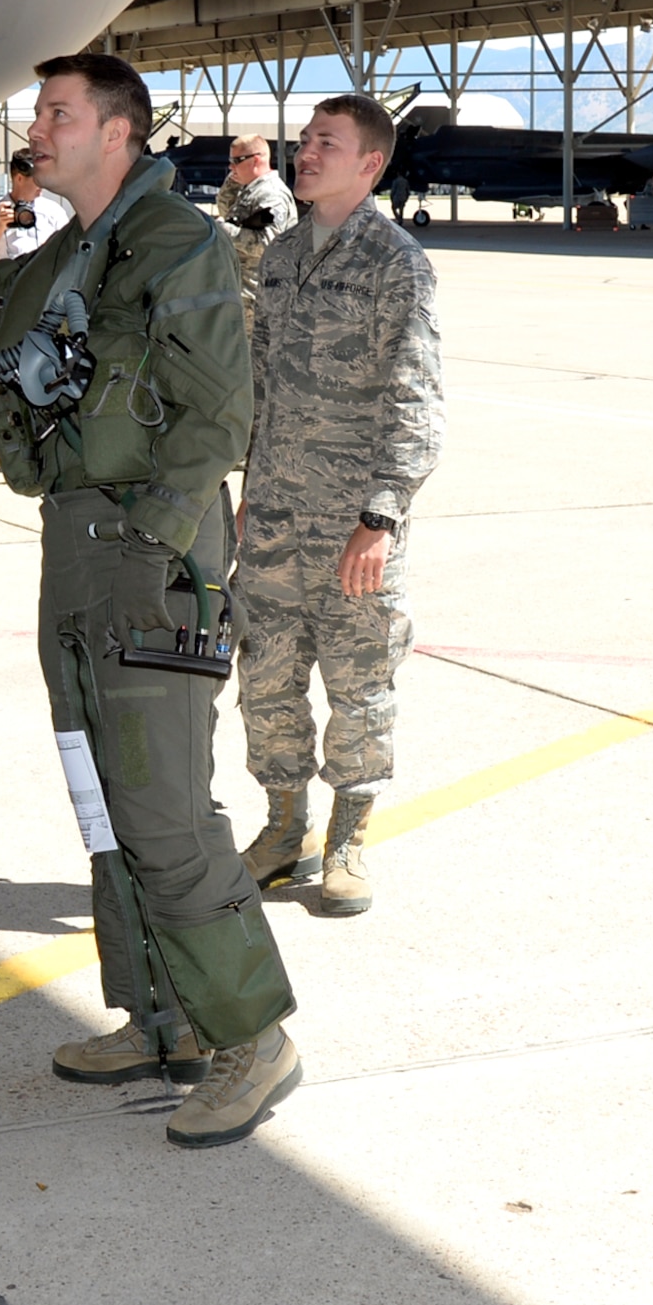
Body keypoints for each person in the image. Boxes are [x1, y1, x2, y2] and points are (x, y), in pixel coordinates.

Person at [0, 57, 300, 1148]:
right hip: (74, 541)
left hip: (147, 544)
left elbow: (222, 414)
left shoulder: (175, 241)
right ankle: (163, 1015)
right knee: (104, 798)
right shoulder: (69, 253)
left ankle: (251, 1035)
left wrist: (157, 543)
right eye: (38, 109)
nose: (37, 123)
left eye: (57, 111)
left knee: (164, 807)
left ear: (118, 133)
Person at [235, 93, 445, 915]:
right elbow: (259, 382)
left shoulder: (397, 263)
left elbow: (416, 400)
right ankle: (283, 827)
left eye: (327, 142)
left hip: (351, 523)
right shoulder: (281, 256)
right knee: (267, 678)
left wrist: (381, 517)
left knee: (358, 687)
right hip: (276, 513)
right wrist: (250, 488)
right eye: (303, 140)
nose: (305, 152)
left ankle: (348, 838)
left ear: (369, 163)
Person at [213, 135, 297, 334]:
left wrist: (223, 230)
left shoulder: (271, 194)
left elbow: (267, 243)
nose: (231, 167)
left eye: (236, 161)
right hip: (245, 291)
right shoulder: (252, 190)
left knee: (254, 359)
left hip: (259, 296)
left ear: (256, 160)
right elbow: (226, 209)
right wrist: (233, 180)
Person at [0, 150, 69, 261]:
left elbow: (69, 251)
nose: (42, 184)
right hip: (10, 277)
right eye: (37, 179)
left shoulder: (53, 211)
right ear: (19, 178)